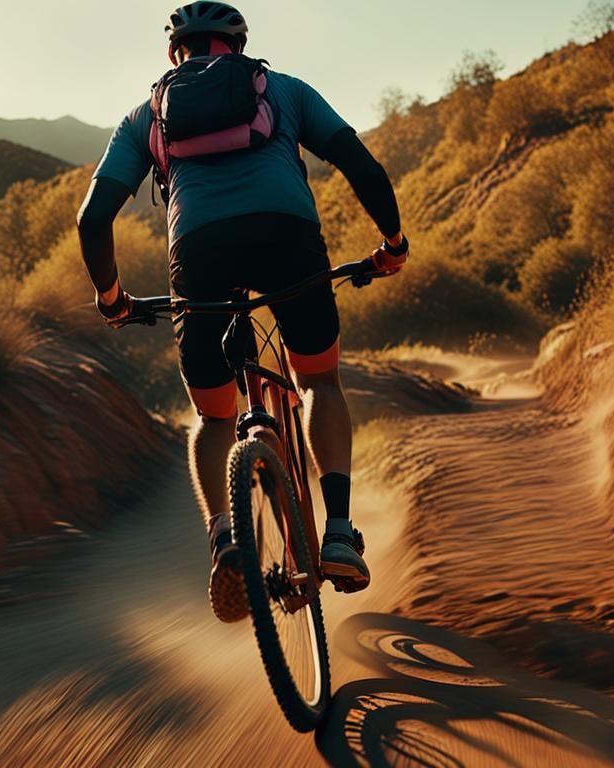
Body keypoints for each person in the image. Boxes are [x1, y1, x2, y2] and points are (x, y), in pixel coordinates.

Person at [77, 2, 409, 623]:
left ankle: (227, 539)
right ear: (238, 43)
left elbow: (92, 219)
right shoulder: (283, 90)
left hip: (199, 255)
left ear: (175, 52)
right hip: (289, 241)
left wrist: (112, 297)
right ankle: (337, 530)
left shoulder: (145, 115)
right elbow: (360, 164)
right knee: (317, 380)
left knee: (212, 417)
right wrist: (391, 244)